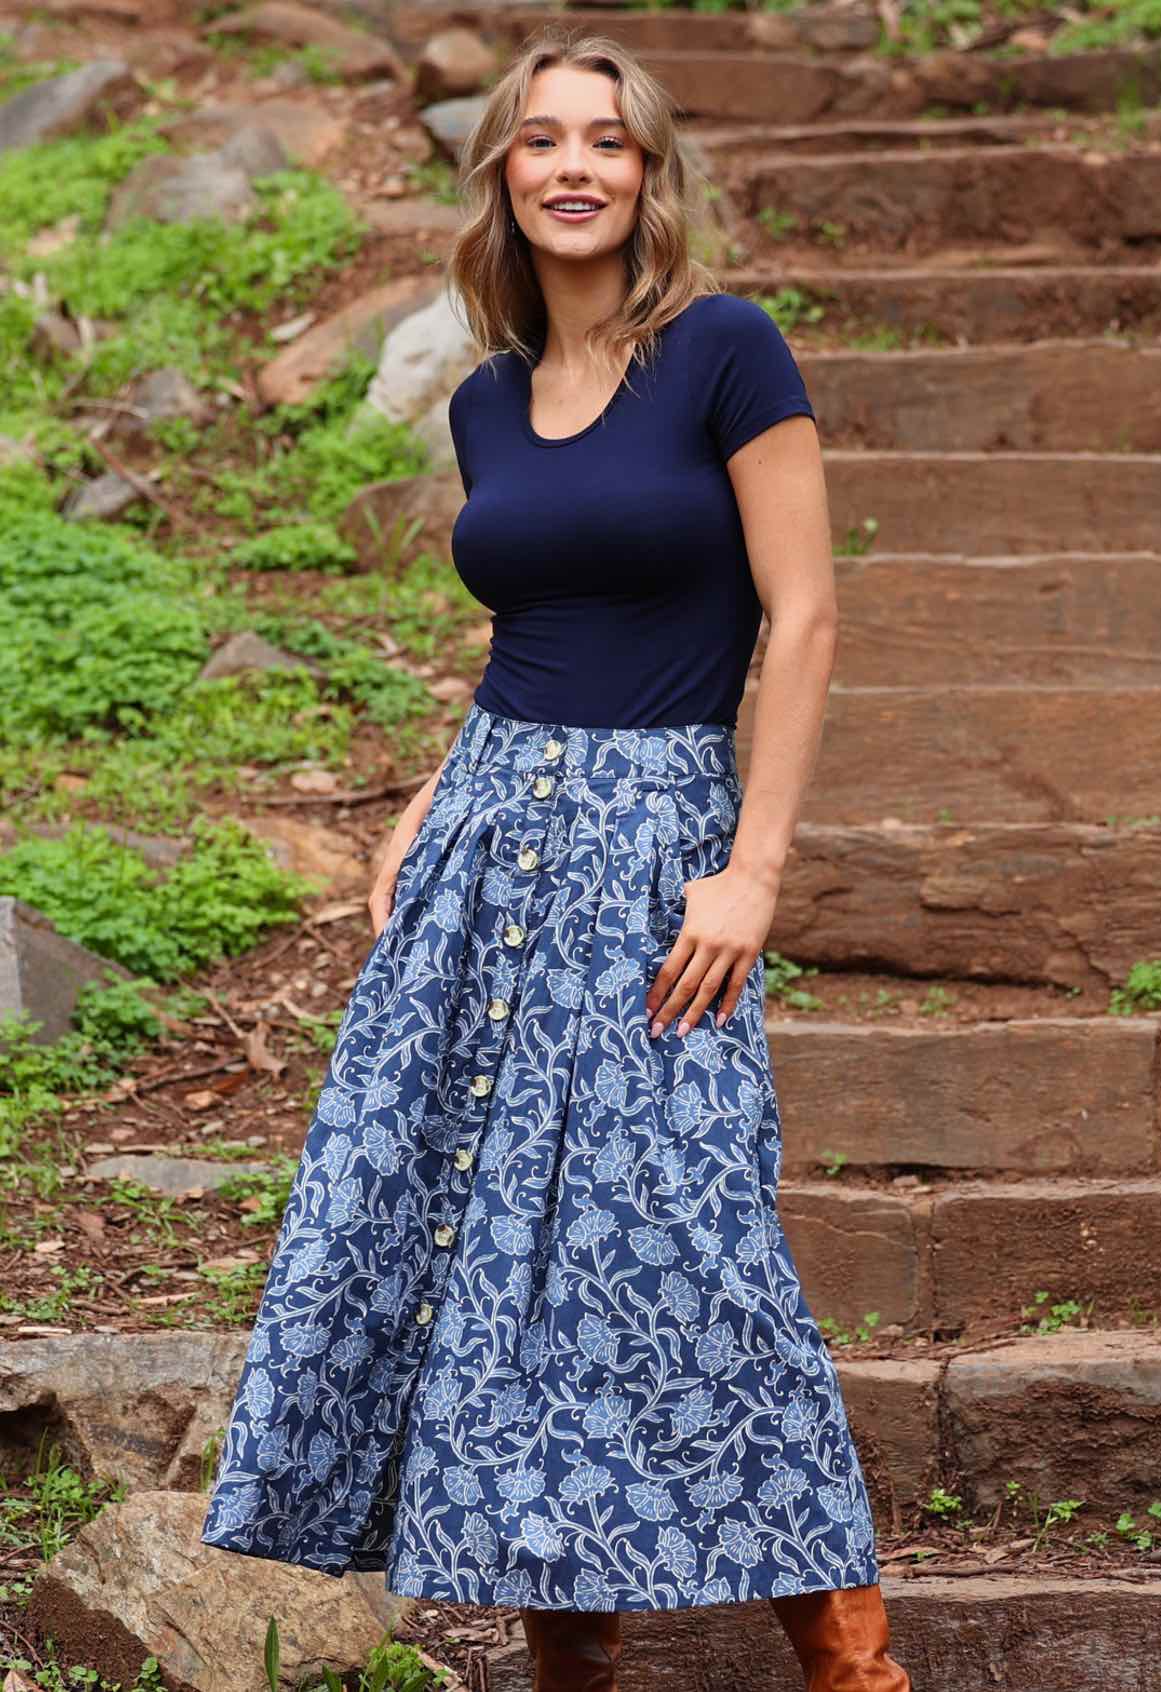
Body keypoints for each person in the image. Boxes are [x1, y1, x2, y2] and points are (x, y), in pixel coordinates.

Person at [201, 28, 911, 1692]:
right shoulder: (485, 398)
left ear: (650, 176)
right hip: (489, 853)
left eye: (609, 140)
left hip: (662, 840)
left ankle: (852, 1662)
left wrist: (752, 869)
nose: (576, 165)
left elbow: (803, 618)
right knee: (475, 1243)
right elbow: (534, 628)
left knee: (690, 1234)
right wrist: (430, 800)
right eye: (543, 141)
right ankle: (566, 1663)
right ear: (503, 175)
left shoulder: (728, 353)